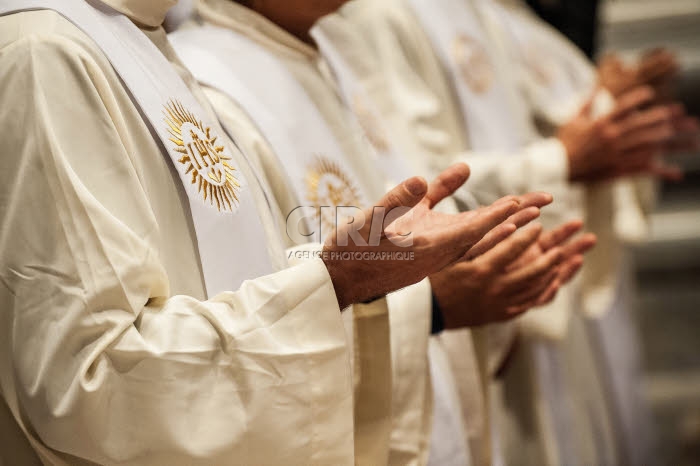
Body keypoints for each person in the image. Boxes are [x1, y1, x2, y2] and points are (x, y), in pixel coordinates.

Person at [0, 0, 548, 464]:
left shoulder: (138, 37)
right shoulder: (45, 51)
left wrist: (357, 273)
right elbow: (86, 388)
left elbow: (243, 271)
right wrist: (350, 285)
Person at [169, 1, 596, 465]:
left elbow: (412, 189)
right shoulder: (204, 87)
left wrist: (476, 261)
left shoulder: (334, 43)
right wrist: (429, 308)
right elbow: (250, 330)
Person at [310, 0, 694, 464]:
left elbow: (520, 125)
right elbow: (427, 179)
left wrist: (600, 109)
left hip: (523, 275)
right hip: (435, 311)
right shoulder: (380, 15)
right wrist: (560, 161)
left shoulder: (488, 12)